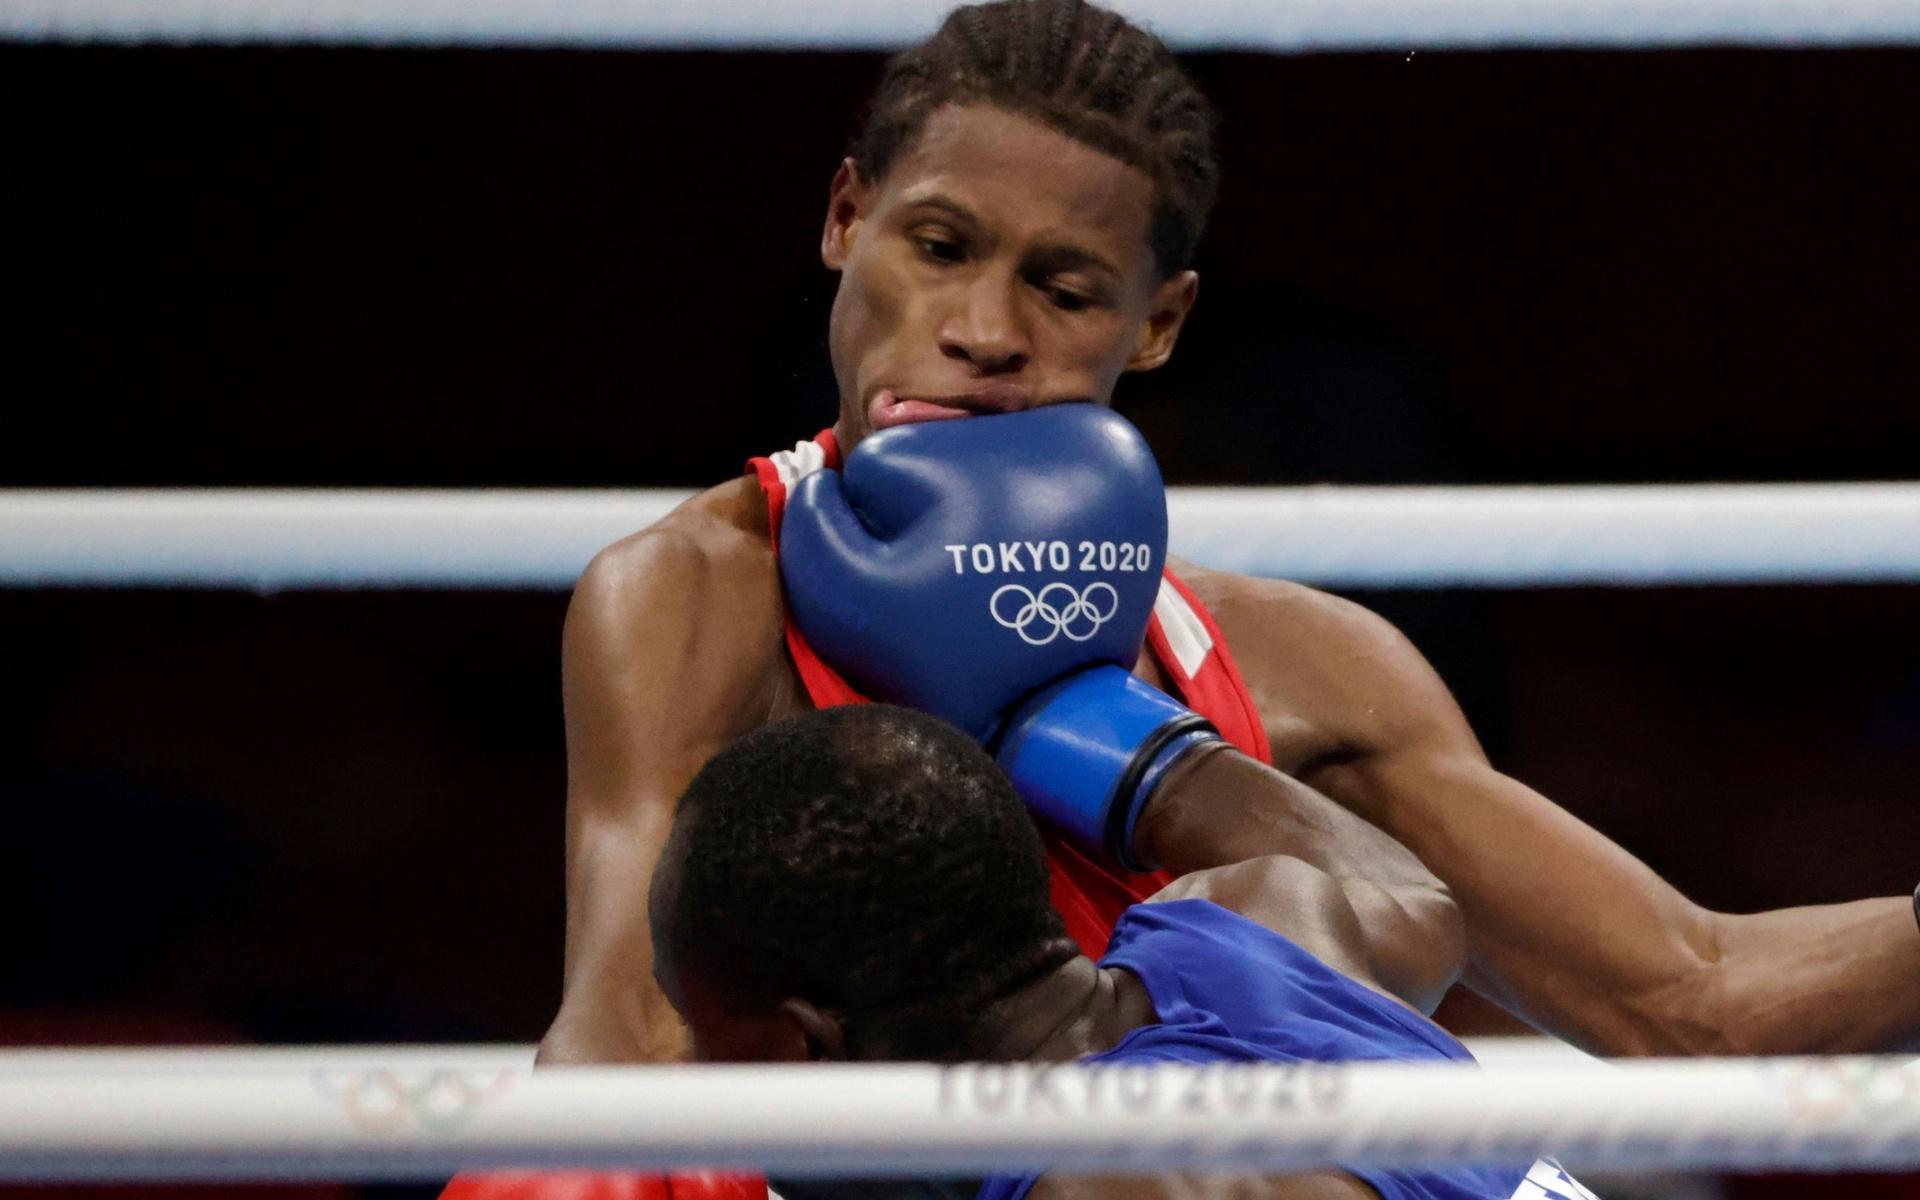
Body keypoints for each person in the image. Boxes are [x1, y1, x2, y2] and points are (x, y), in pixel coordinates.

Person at [547, 0, 1918, 1079]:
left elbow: (1695, 1003)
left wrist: (1108, 740)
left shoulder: (1311, 665)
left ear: (1158, 323)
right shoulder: (689, 597)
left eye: (1063, 287)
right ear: (847, 220)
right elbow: (629, 1062)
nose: (982, 329)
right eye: (938, 244)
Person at [650, 702, 1595, 1200]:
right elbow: (1415, 903)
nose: (690, 1075)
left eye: (699, 1030)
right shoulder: (1259, 920)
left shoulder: (1124, 1186)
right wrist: (1088, 723)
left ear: (798, 1046)